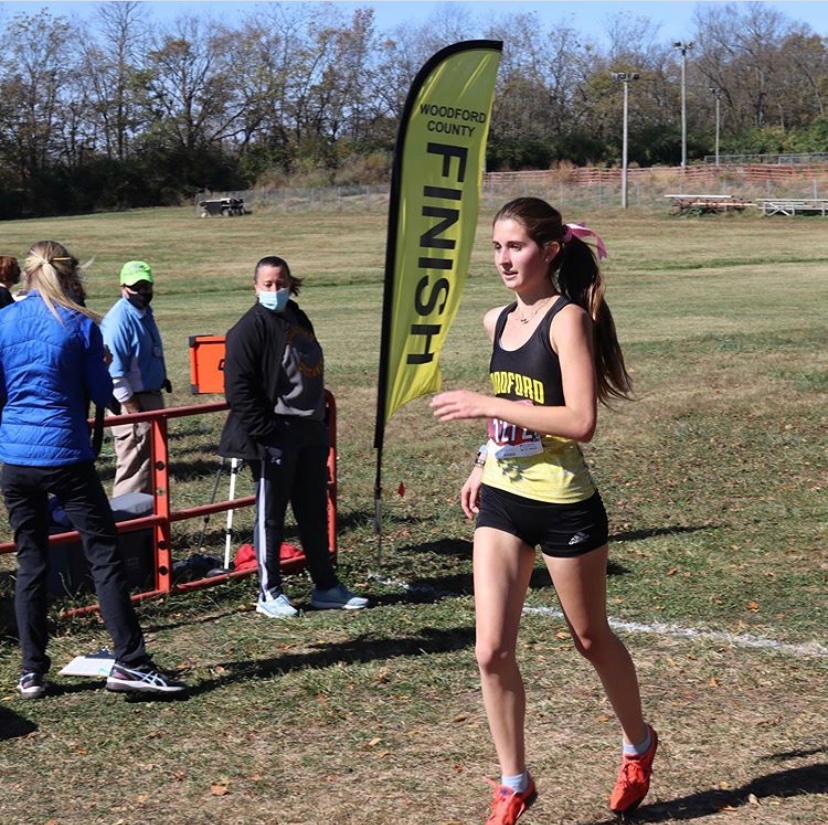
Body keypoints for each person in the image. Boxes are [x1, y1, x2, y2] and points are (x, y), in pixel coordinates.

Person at [430, 198, 657, 822]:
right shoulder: (496, 321)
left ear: (549, 251)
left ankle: (638, 745)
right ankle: (513, 781)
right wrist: (482, 458)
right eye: (497, 247)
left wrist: (485, 404)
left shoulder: (567, 322)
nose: (504, 259)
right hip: (504, 498)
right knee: (490, 651)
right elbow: (512, 406)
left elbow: (579, 421)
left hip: (563, 504)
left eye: (517, 247)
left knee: (589, 638)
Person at [0, 241, 186, 699]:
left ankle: (31, 670)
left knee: (31, 561)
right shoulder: (80, 324)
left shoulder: (3, 322)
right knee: (104, 556)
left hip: (15, 459)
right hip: (64, 454)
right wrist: (97, 367)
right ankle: (131, 661)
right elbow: (105, 396)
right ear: (71, 276)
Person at [219, 255, 368, 618]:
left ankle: (326, 585)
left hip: (310, 430)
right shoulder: (248, 328)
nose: (275, 290)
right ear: (255, 287)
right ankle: (269, 592)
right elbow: (237, 388)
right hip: (276, 434)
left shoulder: (297, 318)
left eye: (281, 282)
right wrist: (266, 431)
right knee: (271, 516)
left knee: (314, 512)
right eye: (268, 284)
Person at [101, 260, 169, 497]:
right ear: (123, 287)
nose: (142, 291)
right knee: (134, 470)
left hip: (148, 398)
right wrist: (133, 409)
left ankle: (146, 527)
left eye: (146, 286)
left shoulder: (143, 312)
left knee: (150, 467)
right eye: (136, 286)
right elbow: (114, 372)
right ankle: (127, 528)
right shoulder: (119, 319)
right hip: (133, 403)